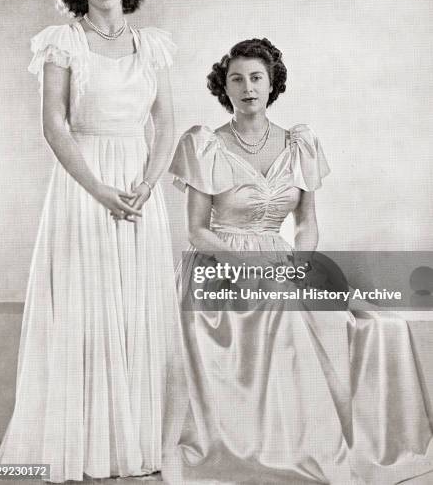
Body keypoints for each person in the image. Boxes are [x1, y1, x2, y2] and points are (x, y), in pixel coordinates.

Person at [167, 38, 433, 484]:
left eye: (257, 78)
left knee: (369, 325)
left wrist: (297, 264)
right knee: (283, 311)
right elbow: (197, 231)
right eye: (237, 79)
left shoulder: (300, 143)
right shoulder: (204, 144)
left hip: (285, 260)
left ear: (273, 85)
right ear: (223, 87)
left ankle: (351, 438)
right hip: (221, 269)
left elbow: (307, 222)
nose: (248, 87)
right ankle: (286, 449)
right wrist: (255, 268)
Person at [0, 0, 176, 482]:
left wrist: (147, 183)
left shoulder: (153, 46)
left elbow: (165, 122)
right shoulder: (61, 43)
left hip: (140, 185)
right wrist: (99, 189)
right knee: (84, 304)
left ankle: (132, 441)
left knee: (134, 304)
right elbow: (54, 124)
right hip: (82, 182)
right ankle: (82, 443)